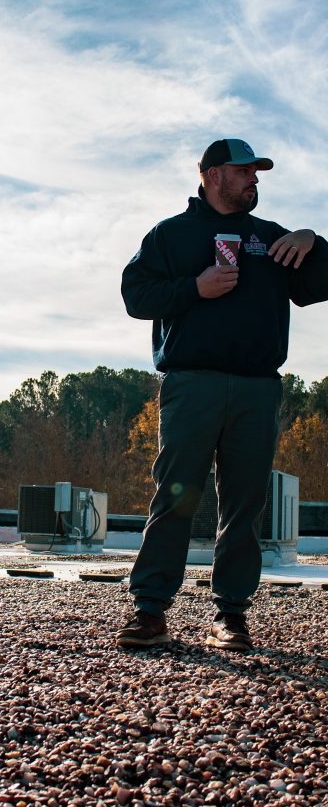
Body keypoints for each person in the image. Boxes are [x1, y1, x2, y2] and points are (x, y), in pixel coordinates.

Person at [116, 138, 328, 651]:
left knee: (244, 505)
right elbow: (135, 296)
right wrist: (195, 287)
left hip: (258, 388)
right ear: (212, 175)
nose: (254, 179)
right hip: (192, 384)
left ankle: (230, 616)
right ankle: (150, 612)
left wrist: (314, 240)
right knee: (175, 497)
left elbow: (317, 282)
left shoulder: (271, 239)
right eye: (244, 171)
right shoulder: (171, 235)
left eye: (258, 172)